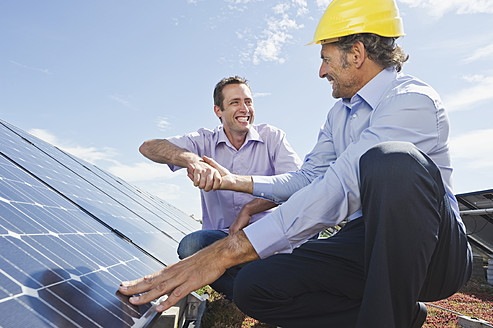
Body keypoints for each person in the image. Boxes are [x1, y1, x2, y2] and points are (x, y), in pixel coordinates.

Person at [119, 1, 472, 327]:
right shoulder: (340, 114)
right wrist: (233, 181)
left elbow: (340, 185)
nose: (321, 71)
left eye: (326, 58)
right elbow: (309, 179)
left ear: (357, 53)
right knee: (256, 286)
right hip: (362, 240)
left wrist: (230, 250)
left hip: (433, 250)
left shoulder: (412, 100)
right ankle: (401, 316)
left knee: (391, 162)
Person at [138, 76, 302, 300]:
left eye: (249, 101)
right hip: (224, 238)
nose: (245, 109)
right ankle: (251, 297)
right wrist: (192, 161)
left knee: (309, 229)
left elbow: (296, 183)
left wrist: (249, 209)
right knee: (191, 246)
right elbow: (149, 147)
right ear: (218, 110)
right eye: (235, 102)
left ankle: (267, 287)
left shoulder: (273, 137)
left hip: (268, 233)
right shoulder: (203, 141)